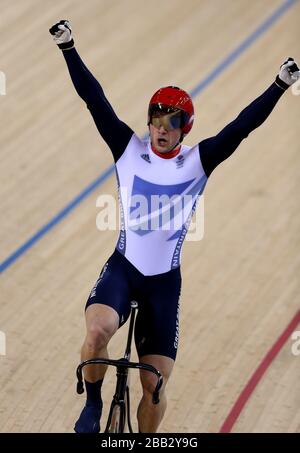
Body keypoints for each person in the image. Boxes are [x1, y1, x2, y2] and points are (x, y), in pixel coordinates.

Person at [49, 20, 300, 433]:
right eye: (155, 121)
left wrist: (278, 85)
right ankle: (93, 405)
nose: (161, 130)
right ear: (147, 122)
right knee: (97, 334)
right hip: (123, 269)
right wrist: (68, 47)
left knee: (154, 384)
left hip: (164, 283)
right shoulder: (127, 148)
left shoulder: (198, 161)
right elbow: (94, 99)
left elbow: (241, 127)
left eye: (171, 123)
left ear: (186, 128)